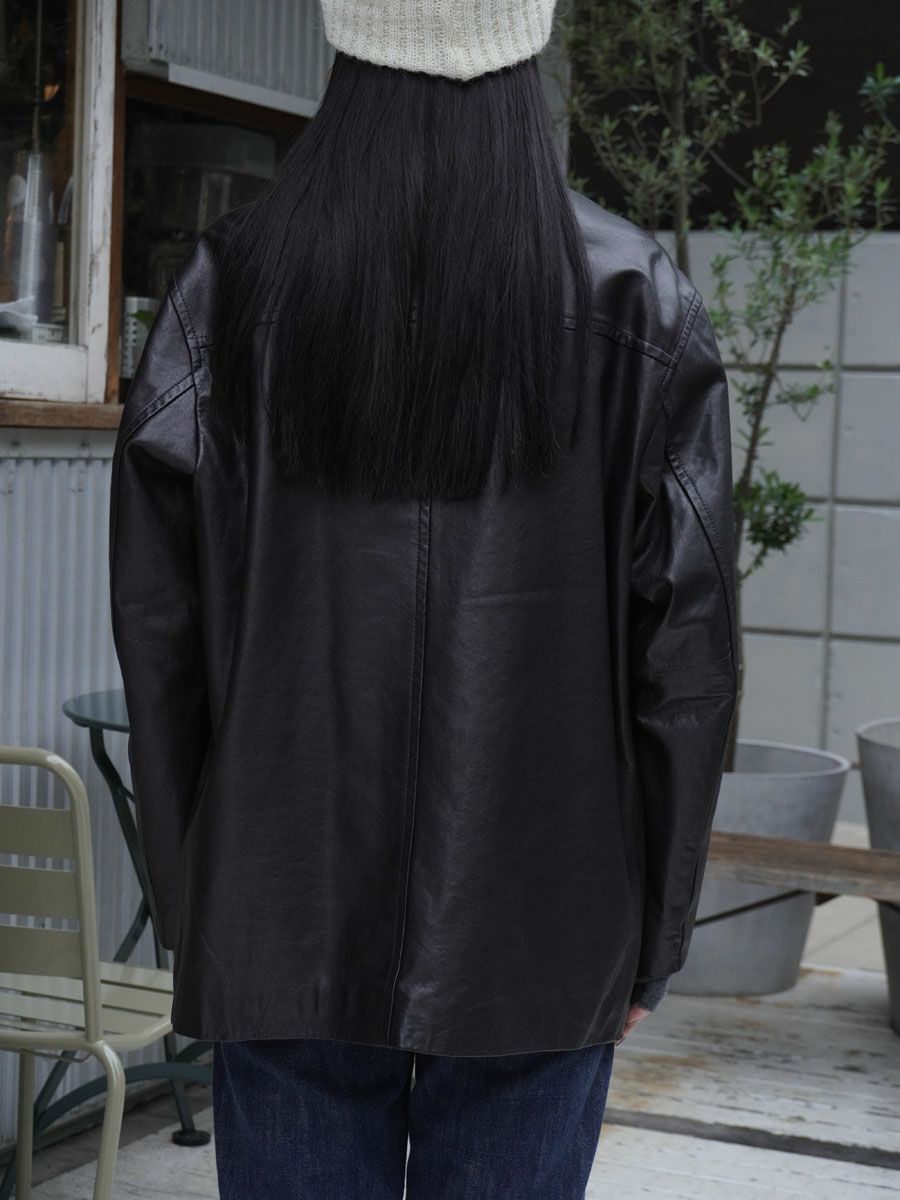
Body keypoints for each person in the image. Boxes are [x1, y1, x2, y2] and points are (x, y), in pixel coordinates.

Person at [108, 1, 739, 1196]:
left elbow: (159, 629)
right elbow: (687, 656)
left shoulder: (229, 286)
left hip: (281, 906)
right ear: (528, 48)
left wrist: (203, 905)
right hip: (544, 921)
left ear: (348, 45)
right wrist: (650, 936)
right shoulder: (635, 296)